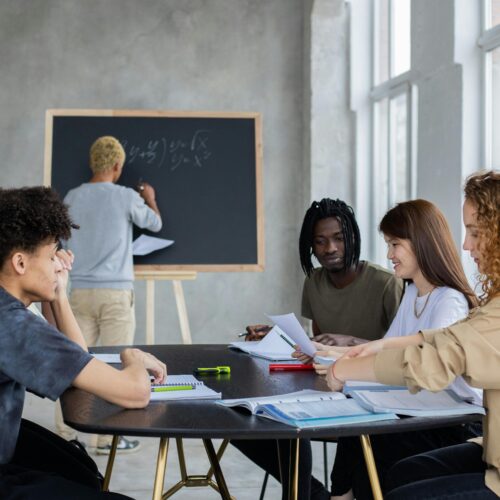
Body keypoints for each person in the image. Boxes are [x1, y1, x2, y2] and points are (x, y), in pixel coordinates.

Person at [326, 170, 500, 499]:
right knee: (405, 471)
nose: (466, 244)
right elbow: (447, 336)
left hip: (472, 437)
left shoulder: (457, 300)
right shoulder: (488, 302)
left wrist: (343, 370)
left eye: (476, 232)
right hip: (491, 447)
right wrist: (380, 345)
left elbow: (438, 359)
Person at [0, 186, 167, 499]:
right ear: (20, 263)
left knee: (80, 468)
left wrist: (59, 293)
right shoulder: (11, 323)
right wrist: (131, 356)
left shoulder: (12, 311)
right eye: (51, 256)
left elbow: (74, 364)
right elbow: (134, 392)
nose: (58, 264)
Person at [233, 198, 403, 500]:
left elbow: (403, 352)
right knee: (239, 422)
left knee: (291, 428)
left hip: (371, 395)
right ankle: (310, 493)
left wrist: (350, 342)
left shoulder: (386, 284)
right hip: (326, 388)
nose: (330, 249)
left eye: (338, 238)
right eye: (320, 241)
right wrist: (279, 335)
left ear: (352, 237)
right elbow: (317, 347)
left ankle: (306, 495)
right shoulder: (314, 281)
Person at [61, 135, 162, 454]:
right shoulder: (125, 197)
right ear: (117, 165)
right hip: (116, 293)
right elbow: (155, 224)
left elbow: (62, 240)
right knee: (119, 364)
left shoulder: (72, 196)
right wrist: (150, 198)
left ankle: (66, 438)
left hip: (78, 293)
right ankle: (106, 440)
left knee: (73, 364)